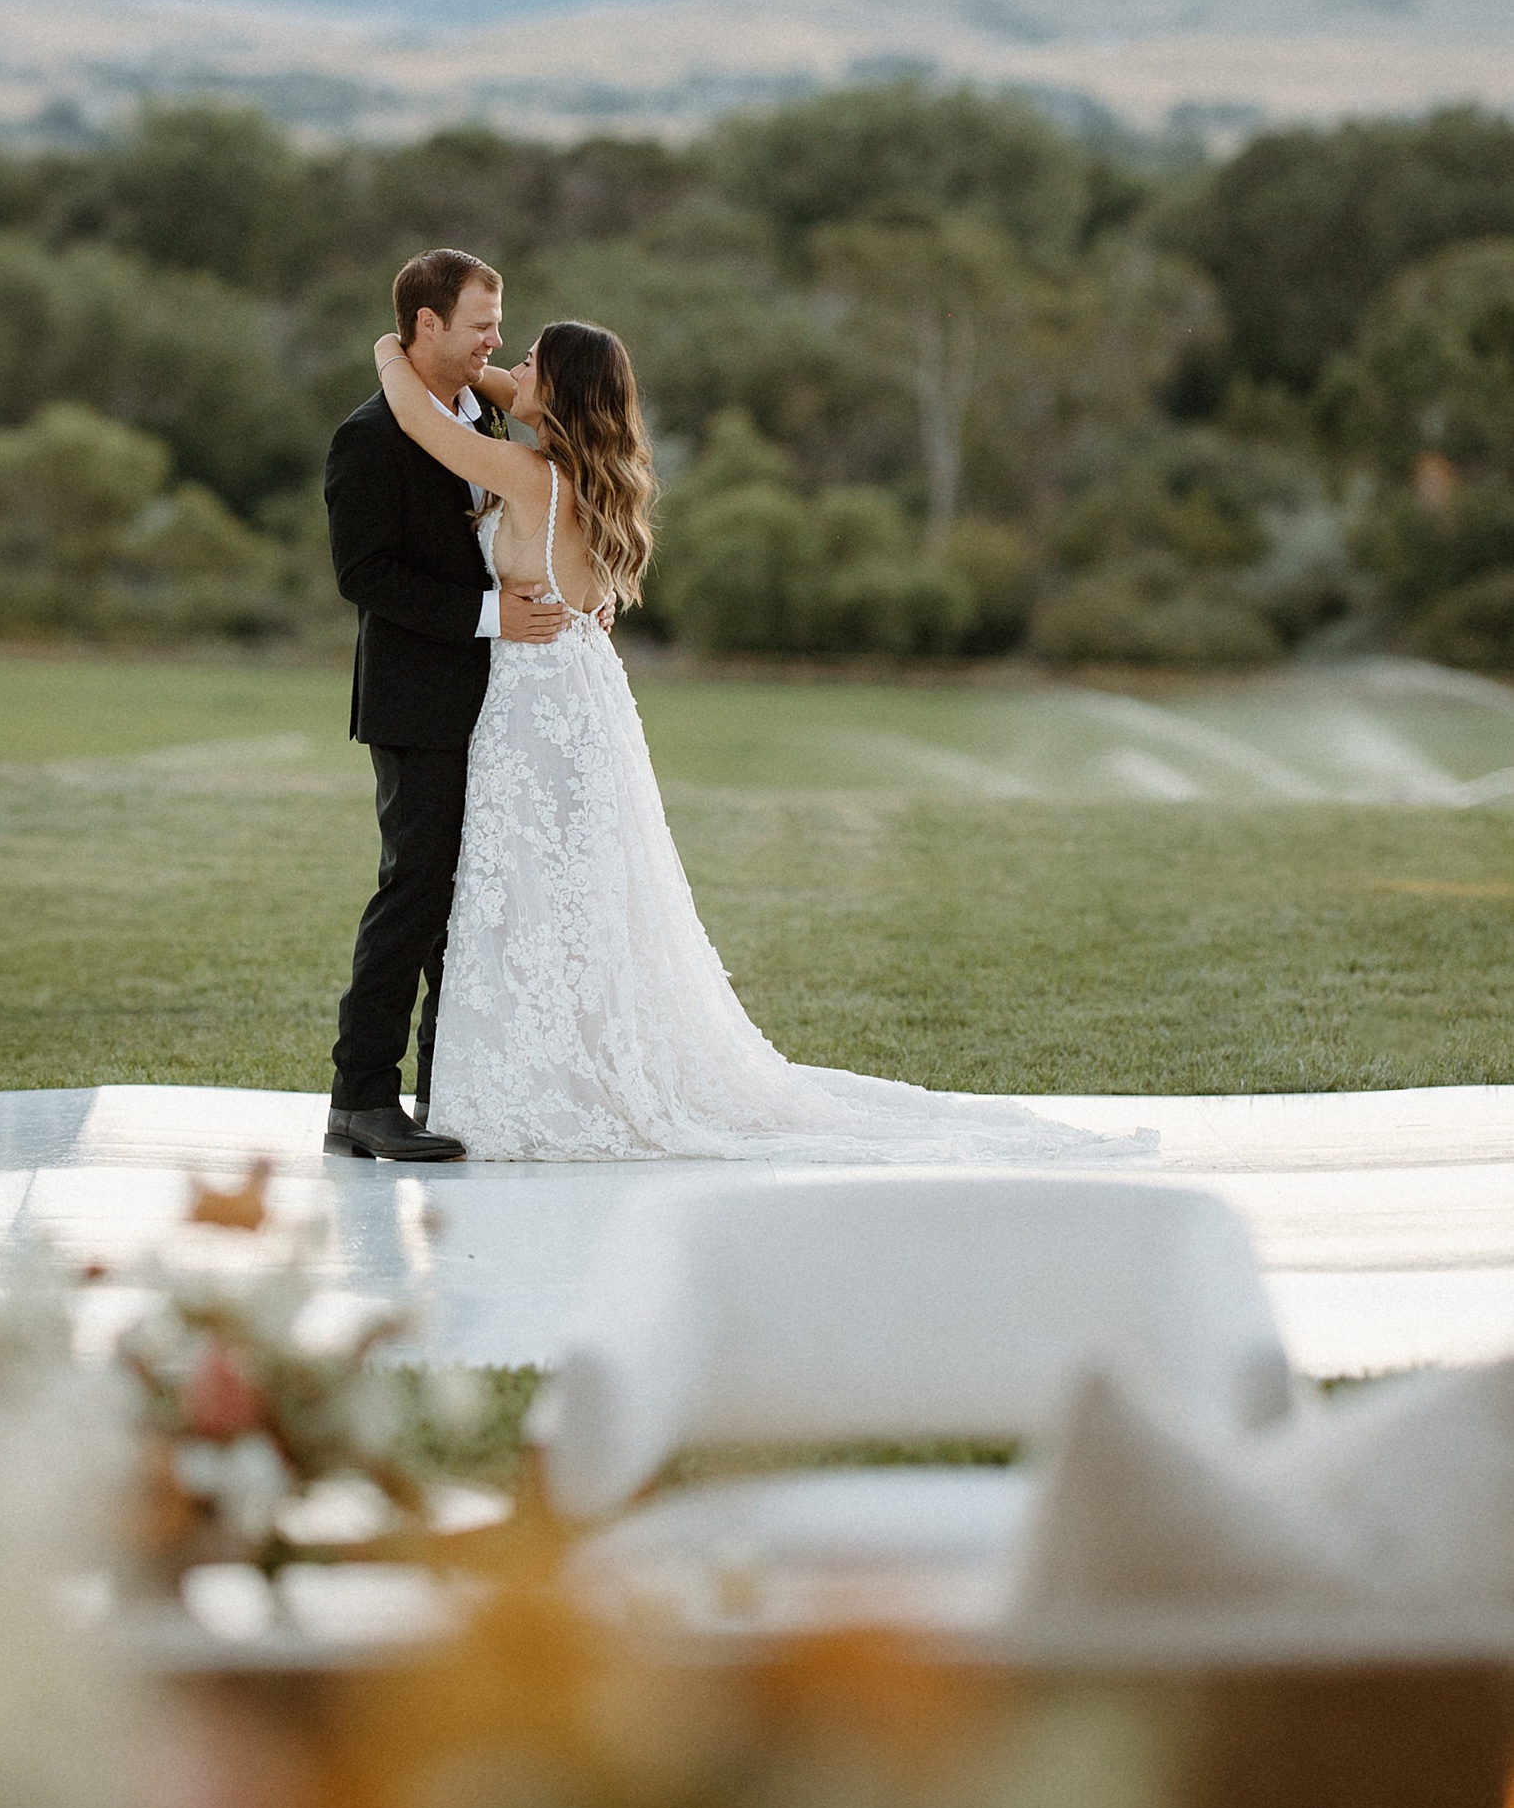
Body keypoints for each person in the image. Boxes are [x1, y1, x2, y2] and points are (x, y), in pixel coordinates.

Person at [369, 309, 1154, 1166]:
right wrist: (490, 372)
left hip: (534, 710)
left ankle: (547, 1078)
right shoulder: (587, 478)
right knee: (576, 898)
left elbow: (414, 416)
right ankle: (566, 1063)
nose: (507, 366)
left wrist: (394, 347)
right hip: (583, 699)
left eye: (526, 362)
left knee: (526, 892)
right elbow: (513, 393)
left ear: (556, 393)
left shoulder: (528, 477)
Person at [323, 248, 572, 1162]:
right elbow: (364, 575)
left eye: (500, 329)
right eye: (478, 327)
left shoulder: (489, 419)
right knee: (416, 891)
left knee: (476, 904)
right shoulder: (369, 437)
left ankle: (449, 1090)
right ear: (425, 324)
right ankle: (360, 1098)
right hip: (417, 702)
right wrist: (486, 616)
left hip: (507, 707)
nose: (494, 346)